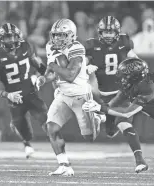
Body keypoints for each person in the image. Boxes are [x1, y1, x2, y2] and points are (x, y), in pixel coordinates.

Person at [36, 19, 106, 176]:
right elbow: (51, 72)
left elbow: (70, 75)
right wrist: (43, 78)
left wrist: (54, 66)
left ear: (71, 35)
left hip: (81, 96)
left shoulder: (76, 48)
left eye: (62, 35)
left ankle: (97, 117)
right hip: (63, 95)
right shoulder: (50, 46)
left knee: (89, 137)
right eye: (55, 35)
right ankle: (64, 165)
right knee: (51, 128)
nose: (57, 39)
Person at [84, 16, 148, 173]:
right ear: (100, 32)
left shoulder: (124, 43)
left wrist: (138, 67)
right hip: (105, 96)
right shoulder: (92, 46)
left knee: (124, 123)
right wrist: (85, 69)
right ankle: (104, 117)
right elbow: (80, 67)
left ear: (117, 33)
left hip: (123, 92)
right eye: (105, 32)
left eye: (111, 32)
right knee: (111, 132)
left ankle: (140, 160)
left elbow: (135, 59)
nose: (107, 35)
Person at [0, 23, 48, 158]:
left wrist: (42, 76)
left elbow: (39, 66)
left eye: (14, 37)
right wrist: (7, 95)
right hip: (13, 95)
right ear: (1, 39)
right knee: (24, 130)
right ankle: (26, 143)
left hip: (30, 91)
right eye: (8, 38)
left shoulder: (26, 46)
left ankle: (58, 149)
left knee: (46, 119)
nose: (12, 41)